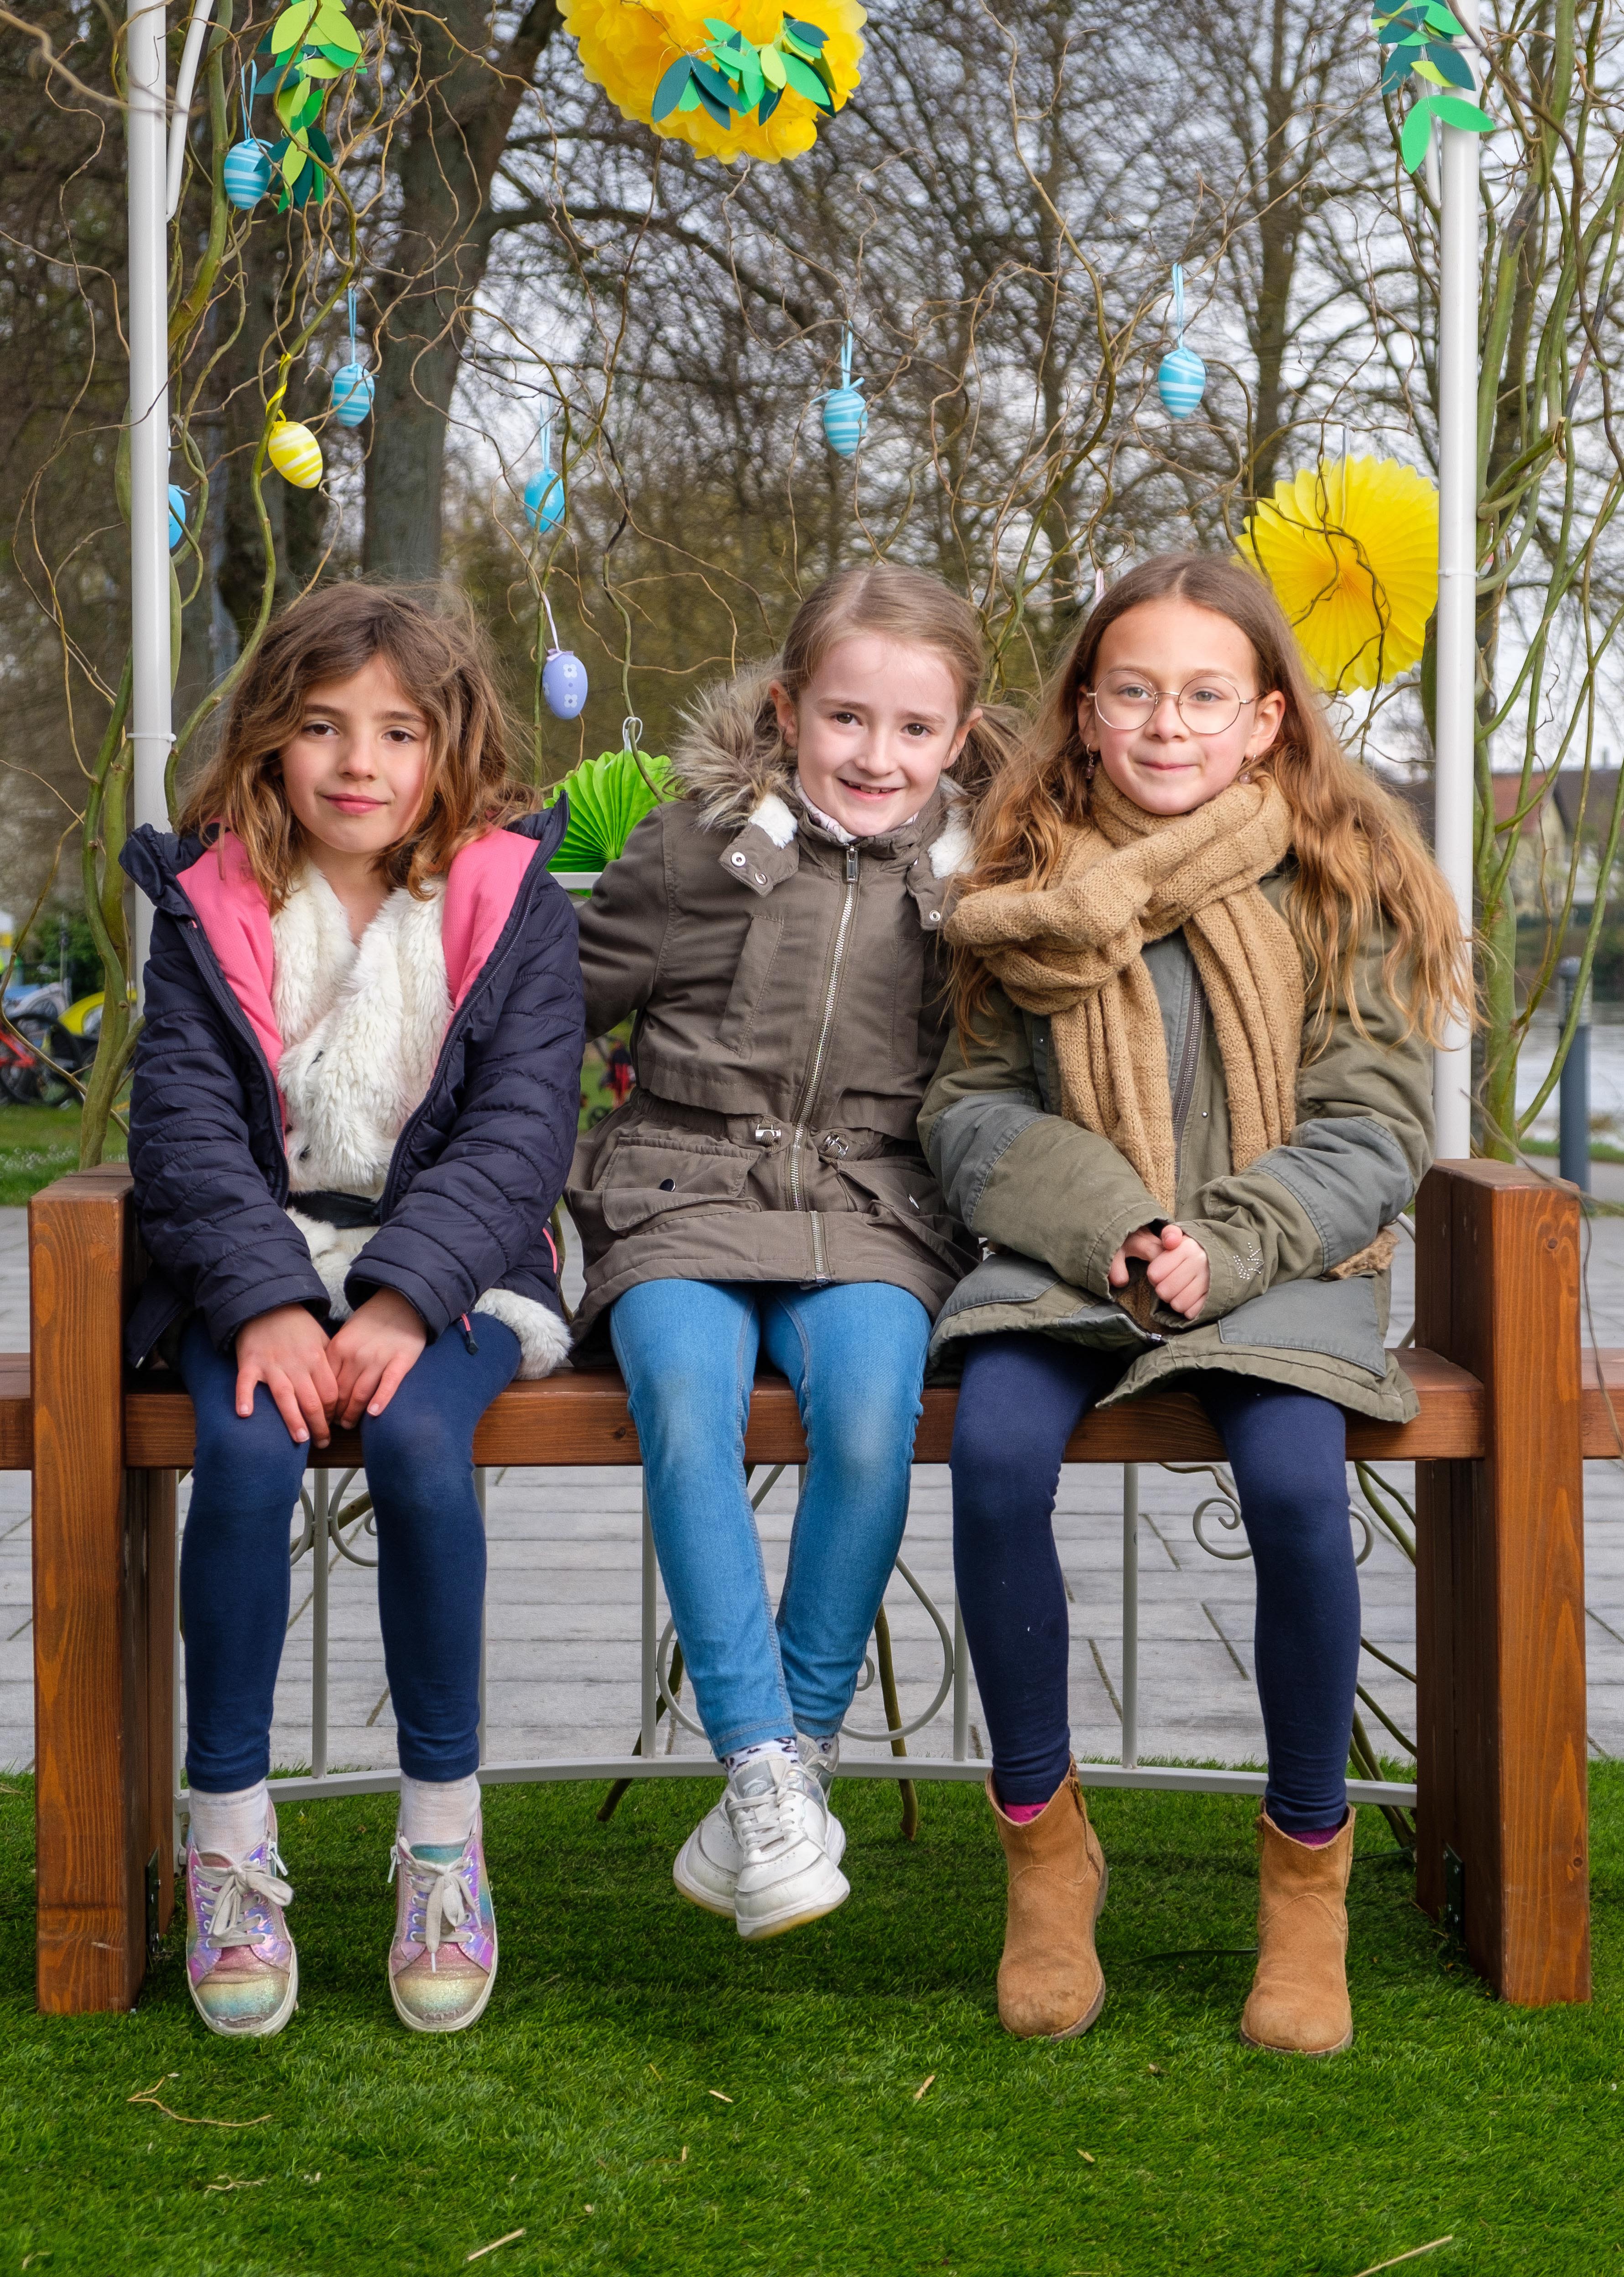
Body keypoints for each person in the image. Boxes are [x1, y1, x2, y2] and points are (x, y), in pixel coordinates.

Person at [921, 553, 1467, 2056]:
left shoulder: (1341, 881)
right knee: (993, 1456)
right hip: (1072, 1254)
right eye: (1137, 692)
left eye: (1206, 695)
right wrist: (1113, 1226)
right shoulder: (1023, 885)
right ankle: (1045, 1849)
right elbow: (968, 1111)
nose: (1169, 724)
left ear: (1267, 718)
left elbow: (1373, 1126)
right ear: (1088, 711)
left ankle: (1307, 1874)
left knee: (1294, 1484)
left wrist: (1223, 1243)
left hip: (1278, 1259)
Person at [122, 583, 585, 2038]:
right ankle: (227, 1837)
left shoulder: (511, 902)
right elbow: (184, 1127)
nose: (357, 762)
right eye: (322, 726)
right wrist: (268, 1302)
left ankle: (442, 1838)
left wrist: (401, 1299)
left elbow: (521, 1133)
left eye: (397, 731)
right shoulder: (210, 898)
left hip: (457, 1267)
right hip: (258, 1260)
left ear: (451, 747)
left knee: (419, 1447)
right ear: (271, 737)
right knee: (246, 1454)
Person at [570, 566, 1013, 1940]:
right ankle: (761, 1761)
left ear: (959, 735)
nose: (877, 756)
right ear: (787, 710)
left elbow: (1010, 1063)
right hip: (682, 1189)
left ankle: (794, 1758)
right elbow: (555, 1007)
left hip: (877, 1207)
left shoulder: (981, 877)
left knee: (875, 1415)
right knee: (686, 1397)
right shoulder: (692, 848)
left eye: (916, 729)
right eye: (845, 718)